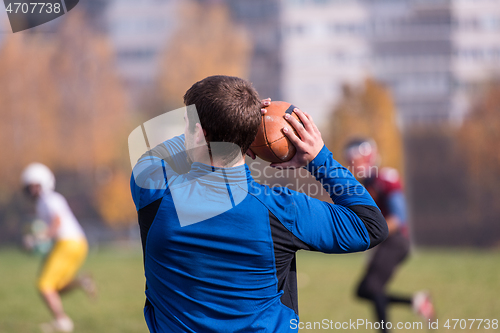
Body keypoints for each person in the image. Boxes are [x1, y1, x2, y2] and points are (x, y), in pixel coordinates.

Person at [130, 75, 388, 332]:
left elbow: (156, 156)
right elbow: (370, 225)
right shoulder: (282, 211)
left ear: (197, 132)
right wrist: (319, 158)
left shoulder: (152, 191)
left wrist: (230, 126)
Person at [344, 138, 435, 332]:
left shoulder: (385, 178)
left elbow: (398, 218)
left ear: (368, 157)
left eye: (355, 159)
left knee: (373, 288)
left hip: (395, 242)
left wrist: (370, 236)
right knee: (364, 290)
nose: (352, 164)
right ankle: (417, 302)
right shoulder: (365, 184)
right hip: (384, 242)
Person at [21, 163, 95, 333]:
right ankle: (81, 281)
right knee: (56, 288)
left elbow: (57, 221)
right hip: (78, 243)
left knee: (44, 285)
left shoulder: (48, 199)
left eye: (34, 186)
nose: (31, 190)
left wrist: (37, 238)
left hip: (67, 243)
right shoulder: (47, 200)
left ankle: (62, 322)